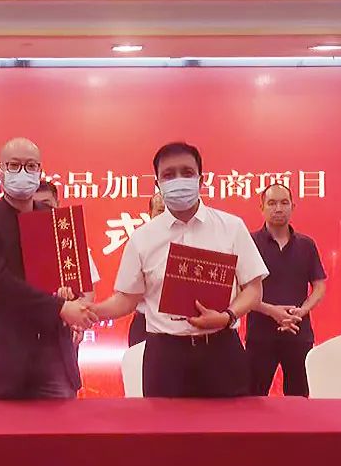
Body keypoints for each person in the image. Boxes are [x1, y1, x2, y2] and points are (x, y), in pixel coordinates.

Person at [90, 142, 268, 398]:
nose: (178, 180)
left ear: (201, 179)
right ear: (158, 184)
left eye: (187, 172)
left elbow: (253, 289)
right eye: (169, 175)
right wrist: (91, 311)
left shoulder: (231, 227)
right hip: (165, 357)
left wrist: (227, 316)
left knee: (228, 423)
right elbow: (127, 299)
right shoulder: (143, 238)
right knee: (164, 424)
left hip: (221, 351)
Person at [0, 138, 96, 400]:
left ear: (40, 170)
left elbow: (71, 277)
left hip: (52, 355)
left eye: (31, 166)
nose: (23, 172)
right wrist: (59, 307)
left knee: (62, 426)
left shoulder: (54, 218)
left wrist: (71, 294)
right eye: (14, 165)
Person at [245, 183, 327, 397]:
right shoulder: (249, 243)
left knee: (299, 399)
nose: (278, 208)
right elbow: (240, 289)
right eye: (272, 203)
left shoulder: (306, 245)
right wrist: (271, 311)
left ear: (293, 206)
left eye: (284, 203)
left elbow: (319, 285)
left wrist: (302, 311)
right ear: (261, 207)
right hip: (260, 335)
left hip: (298, 332)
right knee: (252, 398)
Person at [127, 191, 165, 347]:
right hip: (144, 322)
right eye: (160, 211)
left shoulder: (188, 240)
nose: (165, 216)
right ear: (150, 214)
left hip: (178, 327)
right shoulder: (140, 242)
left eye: (169, 211)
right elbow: (128, 290)